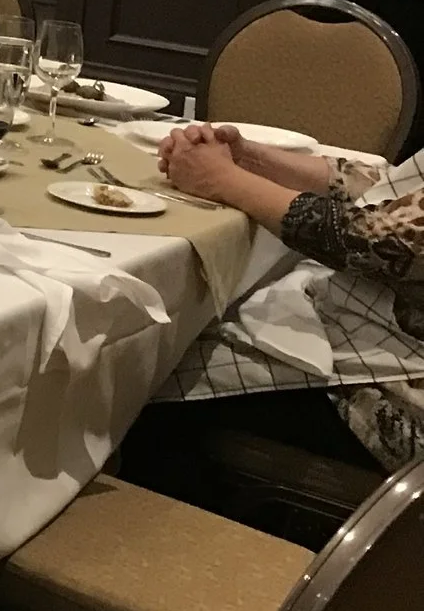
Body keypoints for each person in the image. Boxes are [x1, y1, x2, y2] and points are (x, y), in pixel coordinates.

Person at [121, 129, 424, 490]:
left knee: (148, 380)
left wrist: (223, 179)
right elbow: (390, 187)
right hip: (377, 336)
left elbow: (370, 241)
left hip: (398, 396)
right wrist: (249, 158)